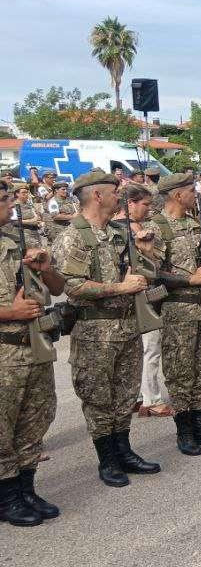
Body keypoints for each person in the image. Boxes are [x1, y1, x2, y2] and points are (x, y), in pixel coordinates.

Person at [53, 169, 160, 487]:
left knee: (125, 394)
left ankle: (124, 451)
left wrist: (146, 255)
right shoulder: (73, 236)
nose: (119, 197)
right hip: (95, 332)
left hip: (126, 327)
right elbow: (72, 286)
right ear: (97, 195)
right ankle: (108, 459)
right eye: (114, 192)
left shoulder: (117, 233)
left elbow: (142, 274)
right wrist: (119, 288)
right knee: (99, 398)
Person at [145, 173, 201, 456]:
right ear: (176, 195)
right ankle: (184, 430)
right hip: (179, 310)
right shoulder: (156, 228)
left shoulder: (195, 223)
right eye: (190, 190)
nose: (195, 194)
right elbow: (151, 273)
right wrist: (189, 280)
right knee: (180, 372)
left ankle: (200, 423)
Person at [0, 177, 65, 525]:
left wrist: (45, 268)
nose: (12, 204)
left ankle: (26, 489)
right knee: (2, 428)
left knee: (36, 419)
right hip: (4, 350)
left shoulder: (20, 240)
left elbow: (57, 287)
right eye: (4, 199)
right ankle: (7, 498)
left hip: (35, 345)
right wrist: (10, 313)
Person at [118, 186, 174, 419]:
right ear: (130, 203)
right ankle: (152, 399)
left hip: (133, 296)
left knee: (138, 350)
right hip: (137, 295)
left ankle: (138, 396)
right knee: (150, 348)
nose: (149, 209)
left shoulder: (119, 227)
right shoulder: (128, 229)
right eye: (145, 204)